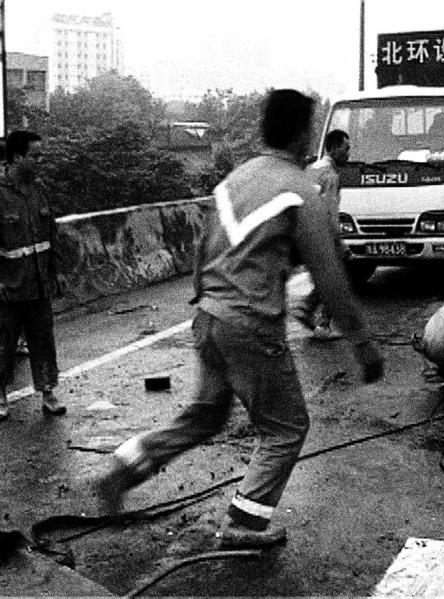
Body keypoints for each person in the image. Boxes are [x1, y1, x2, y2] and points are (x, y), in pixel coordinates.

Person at [95, 90, 384, 549]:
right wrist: (363, 344)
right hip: (250, 325)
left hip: (208, 316)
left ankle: (125, 467)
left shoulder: (234, 181)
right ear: (300, 132)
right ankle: (244, 524)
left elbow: (201, 251)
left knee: (205, 416)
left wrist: (204, 304)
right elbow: (329, 275)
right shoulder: (298, 189)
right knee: (286, 428)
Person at [0, 130, 66, 421]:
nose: (40, 162)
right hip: (9, 287)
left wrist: (55, 274)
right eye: (34, 156)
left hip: (39, 284)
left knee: (43, 341)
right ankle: (0, 395)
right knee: (4, 344)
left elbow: (51, 236)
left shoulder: (40, 192)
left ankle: (47, 392)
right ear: (17, 157)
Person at [292, 129, 351, 341]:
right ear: (333, 148)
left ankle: (307, 310)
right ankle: (317, 318)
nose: (348, 154)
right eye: (345, 149)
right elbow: (329, 212)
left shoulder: (310, 170)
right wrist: (339, 242)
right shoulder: (331, 176)